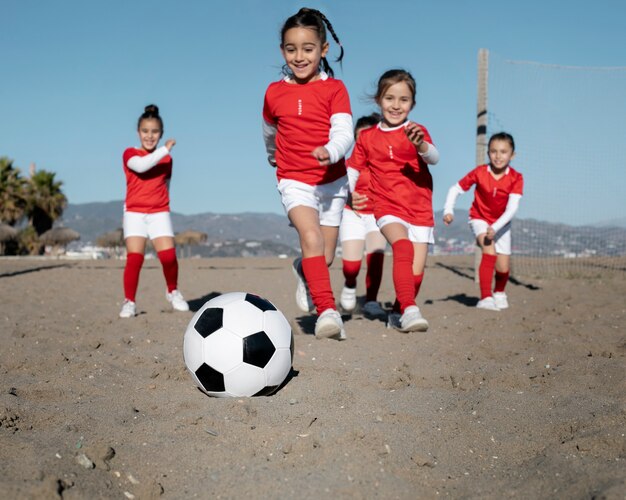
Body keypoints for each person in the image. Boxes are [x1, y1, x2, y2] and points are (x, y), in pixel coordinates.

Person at [262, 8, 353, 340]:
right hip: (293, 179)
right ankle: (327, 311)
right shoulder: (274, 93)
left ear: (323, 50)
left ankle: (303, 269)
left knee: (324, 257)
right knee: (310, 239)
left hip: (333, 182)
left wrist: (331, 150)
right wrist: (273, 158)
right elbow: (270, 133)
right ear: (283, 50)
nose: (299, 56)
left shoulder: (335, 90)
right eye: (291, 49)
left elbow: (345, 132)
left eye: (308, 48)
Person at [348, 69, 440, 333]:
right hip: (387, 206)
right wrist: (350, 193)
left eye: (403, 99)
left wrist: (421, 145)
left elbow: (434, 158)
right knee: (402, 246)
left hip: (420, 209)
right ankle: (411, 309)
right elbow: (353, 169)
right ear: (379, 99)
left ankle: (400, 311)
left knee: (416, 272)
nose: (396, 105)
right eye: (390, 98)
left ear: (412, 103)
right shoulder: (367, 137)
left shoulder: (416, 131)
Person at [119, 104, 189, 318]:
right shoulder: (130, 153)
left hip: (159, 211)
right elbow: (141, 166)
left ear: (161, 133)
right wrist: (164, 148)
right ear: (138, 132)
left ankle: (172, 291)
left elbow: (165, 185)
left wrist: (164, 204)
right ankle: (129, 301)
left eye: (155, 131)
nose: (150, 136)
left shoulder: (167, 159)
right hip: (134, 213)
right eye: (145, 131)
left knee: (168, 257)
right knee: (135, 259)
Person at [443, 132, 523, 310]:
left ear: (512, 155)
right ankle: (485, 297)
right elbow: (455, 189)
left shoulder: (516, 178)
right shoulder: (479, 173)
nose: (498, 156)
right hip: (479, 218)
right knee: (489, 251)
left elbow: (512, 208)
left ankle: (499, 292)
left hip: (501, 224)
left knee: (503, 266)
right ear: (488, 153)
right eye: (493, 151)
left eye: (503, 152)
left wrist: (495, 227)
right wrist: (449, 210)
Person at [339, 113, 388, 320]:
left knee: (376, 257)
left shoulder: (387, 164)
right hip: (352, 216)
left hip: (377, 216)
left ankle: (371, 300)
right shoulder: (346, 165)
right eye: (361, 137)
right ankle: (350, 284)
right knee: (352, 266)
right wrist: (348, 198)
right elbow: (336, 191)